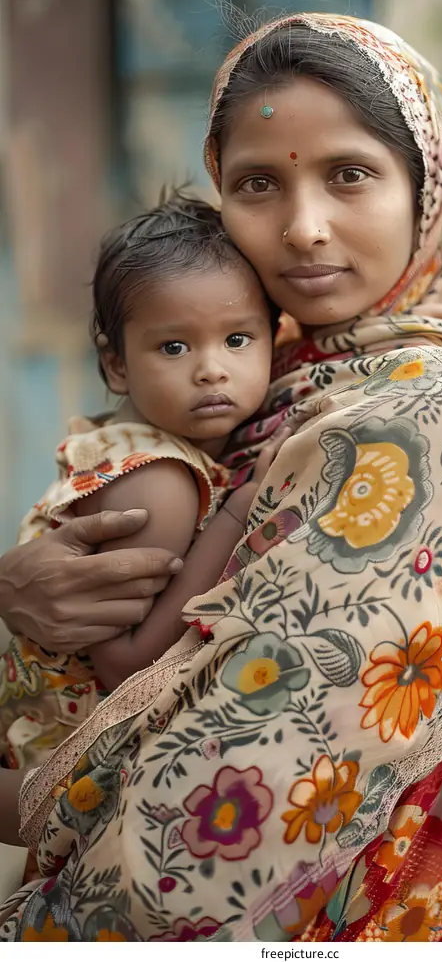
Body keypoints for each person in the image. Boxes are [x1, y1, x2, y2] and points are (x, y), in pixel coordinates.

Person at [0, 14, 442, 943]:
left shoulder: (425, 412)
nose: (304, 227)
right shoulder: (270, 381)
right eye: (257, 184)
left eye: (350, 174)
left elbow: (227, 806)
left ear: (425, 188)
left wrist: (24, 808)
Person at [0, 191, 285, 770]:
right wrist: (243, 508)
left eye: (237, 339)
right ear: (117, 365)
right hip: (71, 760)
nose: (211, 368)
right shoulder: (160, 483)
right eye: (174, 346)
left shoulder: (129, 440)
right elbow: (124, 665)